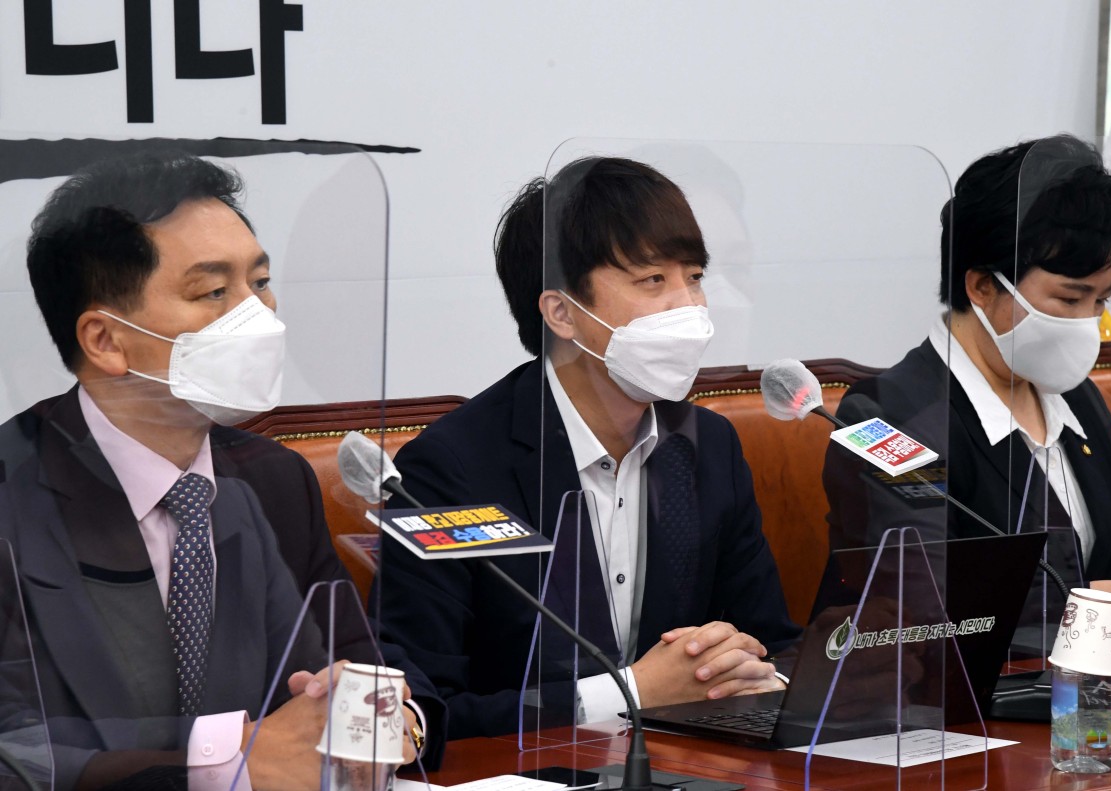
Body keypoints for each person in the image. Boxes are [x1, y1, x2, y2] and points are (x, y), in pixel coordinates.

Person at [0, 151, 427, 790]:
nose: (259, 315)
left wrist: (388, 721)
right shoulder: (14, 494)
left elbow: (356, 667)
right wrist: (226, 762)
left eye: (259, 282)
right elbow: (16, 747)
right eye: (213, 292)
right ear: (105, 340)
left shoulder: (272, 480)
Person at [375, 156, 800, 739]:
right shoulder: (450, 469)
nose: (691, 307)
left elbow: (773, 641)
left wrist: (753, 675)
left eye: (694, 277)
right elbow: (423, 710)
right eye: (654, 281)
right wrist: (628, 694)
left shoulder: (708, 447)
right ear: (561, 311)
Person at [822, 135, 1111, 641]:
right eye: (1070, 298)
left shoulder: (1073, 396)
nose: (1089, 324)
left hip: (1098, 692)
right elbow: (923, 617)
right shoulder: (882, 420)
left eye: (1102, 300)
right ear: (982, 286)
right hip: (956, 708)